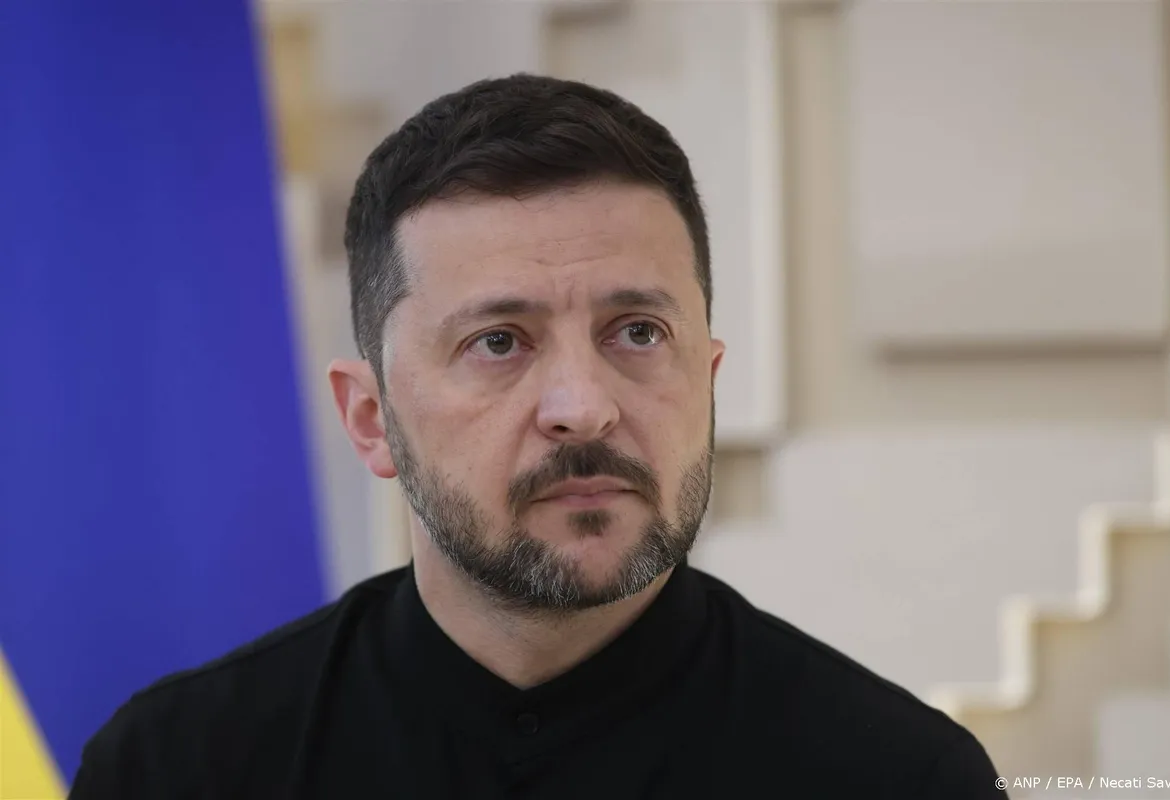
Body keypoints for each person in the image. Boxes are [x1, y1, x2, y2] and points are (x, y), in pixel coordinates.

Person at [70, 73, 1007, 799]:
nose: (583, 407)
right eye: (498, 342)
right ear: (371, 419)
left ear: (708, 380)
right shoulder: (178, 769)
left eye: (637, 332)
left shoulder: (899, 777)